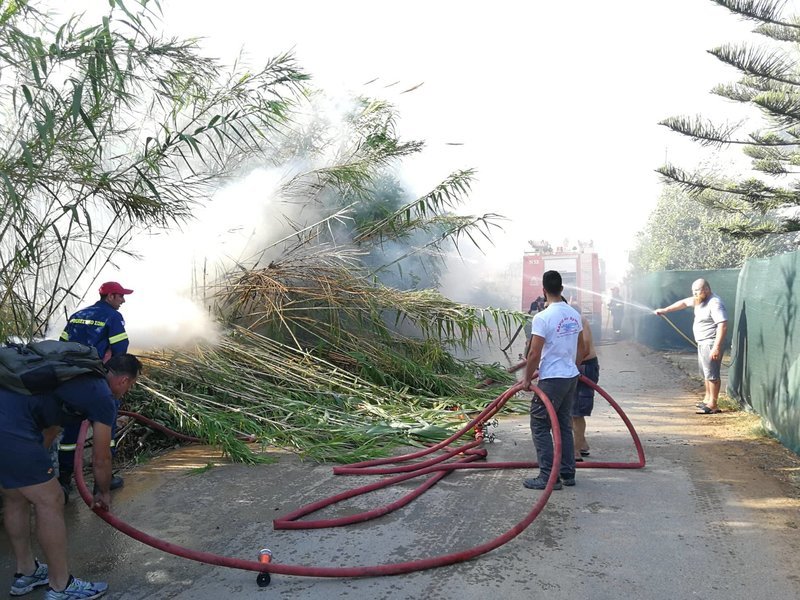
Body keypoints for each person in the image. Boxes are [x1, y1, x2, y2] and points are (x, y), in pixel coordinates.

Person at [0, 353, 141, 600]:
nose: (127, 391)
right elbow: (101, 458)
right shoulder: (102, 397)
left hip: (7, 418)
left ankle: (27, 573)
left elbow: (50, 428)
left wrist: (35, 466)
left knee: (15, 497)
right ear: (124, 380)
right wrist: (103, 491)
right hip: (12, 430)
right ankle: (61, 585)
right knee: (51, 499)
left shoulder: (73, 377)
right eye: (131, 386)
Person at [58, 281, 134, 499]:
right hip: (96, 382)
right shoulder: (113, 317)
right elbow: (120, 352)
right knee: (105, 431)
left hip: (70, 381)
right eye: (120, 296)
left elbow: (61, 345)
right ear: (110, 296)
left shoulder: (77, 315)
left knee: (70, 433)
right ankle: (103, 482)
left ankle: (64, 481)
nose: (123, 300)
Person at [522, 271, 586, 490]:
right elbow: (581, 348)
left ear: (543, 290)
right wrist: (572, 367)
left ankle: (548, 477)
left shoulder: (542, 317)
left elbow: (534, 353)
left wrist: (526, 379)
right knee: (563, 425)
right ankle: (567, 473)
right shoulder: (574, 314)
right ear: (562, 289)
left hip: (551, 379)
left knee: (540, 425)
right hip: (570, 377)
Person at [654, 278, 728, 414]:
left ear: (706, 289)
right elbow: (683, 303)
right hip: (702, 342)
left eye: (697, 291)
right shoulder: (699, 300)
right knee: (706, 373)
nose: (694, 294)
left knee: (712, 374)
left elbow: (722, 325)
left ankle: (713, 404)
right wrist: (665, 310)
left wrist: (716, 347)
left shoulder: (715, 303)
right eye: (693, 291)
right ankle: (707, 399)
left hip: (711, 342)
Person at [572, 305, 599, 461]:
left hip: (584, 367)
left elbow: (586, 347)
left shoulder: (579, 320)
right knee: (570, 409)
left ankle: (575, 451)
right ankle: (581, 444)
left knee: (576, 412)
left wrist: (574, 364)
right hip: (576, 366)